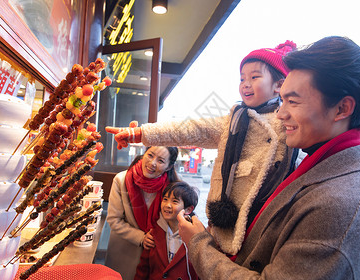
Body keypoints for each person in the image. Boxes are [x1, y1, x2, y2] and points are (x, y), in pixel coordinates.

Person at [177, 36, 360, 280]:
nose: (281, 113)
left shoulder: (341, 204)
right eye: (282, 100)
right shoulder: (320, 164)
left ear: (342, 108)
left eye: (293, 102)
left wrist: (198, 244)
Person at [106, 41, 299, 256]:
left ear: (278, 85)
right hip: (225, 226)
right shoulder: (232, 121)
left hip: (268, 226)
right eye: (242, 78)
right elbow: (190, 129)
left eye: (254, 77)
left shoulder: (289, 123)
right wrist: (139, 133)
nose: (245, 83)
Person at [105, 146, 179, 280]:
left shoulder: (173, 187)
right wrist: (141, 237)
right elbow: (114, 219)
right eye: (150, 155)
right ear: (144, 154)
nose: (152, 163)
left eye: (161, 161)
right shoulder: (122, 180)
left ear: (169, 166)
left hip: (157, 254)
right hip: (125, 252)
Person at [129, 181, 207, 280]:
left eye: (175, 201)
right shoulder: (155, 232)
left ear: (188, 209)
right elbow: (143, 269)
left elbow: (205, 279)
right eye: (165, 199)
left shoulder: (197, 236)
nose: (167, 205)